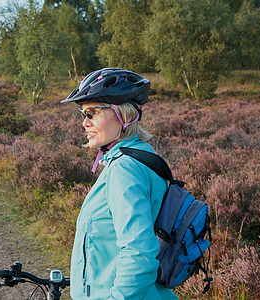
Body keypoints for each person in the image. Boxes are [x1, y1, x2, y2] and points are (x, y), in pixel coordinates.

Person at [61, 68, 179, 299]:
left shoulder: (124, 169)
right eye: (83, 114)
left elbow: (140, 253)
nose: (85, 123)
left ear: (123, 115)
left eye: (92, 113)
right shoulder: (142, 155)